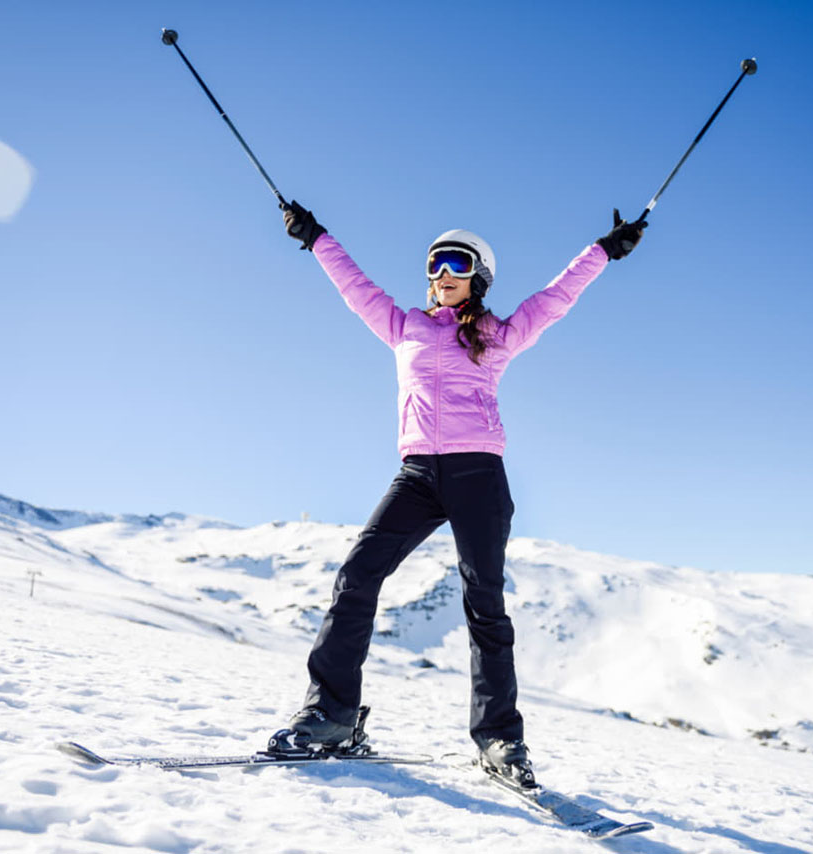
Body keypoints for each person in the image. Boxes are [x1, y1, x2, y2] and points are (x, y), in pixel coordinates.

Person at [272, 200, 646, 784]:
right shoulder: (404, 327)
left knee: (484, 605)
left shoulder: (498, 333)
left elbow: (555, 299)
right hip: (417, 474)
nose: (442, 273)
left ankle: (499, 739)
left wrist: (601, 250)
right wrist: (316, 236)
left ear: (479, 276)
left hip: (478, 475)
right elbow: (353, 284)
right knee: (357, 574)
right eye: (434, 264)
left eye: (456, 263)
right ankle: (331, 715)